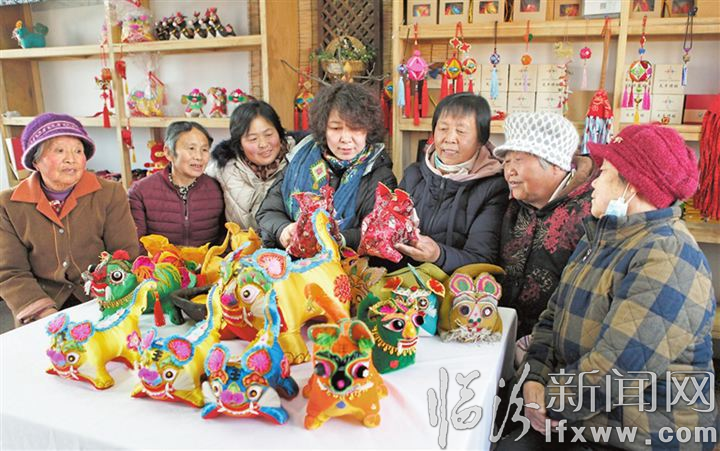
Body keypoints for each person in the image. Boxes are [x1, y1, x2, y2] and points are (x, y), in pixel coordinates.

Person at [497, 124, 716, 450]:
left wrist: (549, 401)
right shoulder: (600, 237)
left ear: (633, 186)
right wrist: (533, 380)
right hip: (586, 412)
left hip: (642, 433)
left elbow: (618, 369)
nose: (595, 182)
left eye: (605, 173)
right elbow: (552, 318)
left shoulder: (669, 256)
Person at [0, 113, 139, 327]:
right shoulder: (8, 204)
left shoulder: (110, 193)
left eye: (78, 151)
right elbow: (10, 271)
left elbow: (124, 254)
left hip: (102, 300)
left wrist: (106, 298)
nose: (71, 159)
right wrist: (47, 315)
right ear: (35, 161)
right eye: (59, 151)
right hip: (40, 309)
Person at [256, 82, 396, 250]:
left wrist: (339, 240)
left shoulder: (379, 175)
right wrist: (283, 230)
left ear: (368, 130)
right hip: (294, 261)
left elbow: (382, 231)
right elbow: (268, 211)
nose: (345, 139)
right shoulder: (299, 160)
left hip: (349, 263)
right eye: (336, 128)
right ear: (323, 129)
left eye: (356, 129)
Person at [493, 112, 595, 342]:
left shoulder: (591, 210)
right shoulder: (512, 202)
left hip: (556, 342)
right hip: (502, 330)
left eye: (518, 161)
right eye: (507, 161)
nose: (509, 172)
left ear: (555, 165)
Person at [395, 92, 508, 274]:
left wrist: (439, 255)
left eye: (461, 131)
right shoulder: (413, 175)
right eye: (443, 128)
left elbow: (482, 259)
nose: (449, 138)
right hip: (403, 282)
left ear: (481, 139)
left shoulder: (494, 188)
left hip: (457, 288)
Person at [128, 121, 224, 248]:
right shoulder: (140, 191)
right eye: (191, 148)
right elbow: (136, 244)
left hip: (208, 260)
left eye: (204, 149)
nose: (199, 157)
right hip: (158, 260)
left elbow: (225, 238)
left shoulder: (217, 189)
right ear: (168, 152)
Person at [206, 100, 294, 230]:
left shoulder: (298, 160)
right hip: (241, 242)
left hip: (287, 241)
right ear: (239, 144)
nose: (263, 144)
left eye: (268, 134)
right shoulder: (223, 167)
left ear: (279, 133)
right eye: (253, 139)